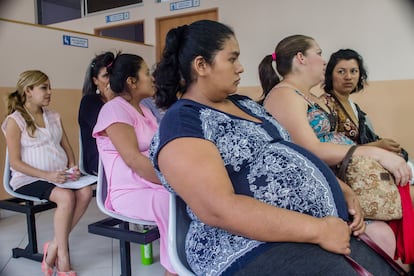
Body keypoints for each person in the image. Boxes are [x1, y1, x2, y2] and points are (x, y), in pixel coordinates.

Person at [150, 20, 400, 275]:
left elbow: (292, 151)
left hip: (307, 230)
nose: (240, 68)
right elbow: (218, 208)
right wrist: (318, 230)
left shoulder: (244, 104)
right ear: (201, 65)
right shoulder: (184, 122)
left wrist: (341, 189)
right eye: (232, 59)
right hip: (245, 246)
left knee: (383, 268)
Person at [258, 35, 413, 268]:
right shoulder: (284, 95)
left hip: (336, 178)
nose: (323, 61)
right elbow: (308, 151)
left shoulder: (304, 95)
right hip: (318, 185)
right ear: (301, 58)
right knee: (387, 228)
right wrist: (374, 153)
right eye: (318, 53)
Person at [91, 53, 176, 276]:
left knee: (191, 198)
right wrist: (173, 181)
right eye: (146, 73)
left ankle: (190, 264)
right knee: (173, 202)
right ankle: (174, 270)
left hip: (150, 183)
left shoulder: (145, 110)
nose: (152, 78)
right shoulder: (114, 109)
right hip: (128, 192)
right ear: (132, 81)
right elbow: (133, 159)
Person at [2, 70, 92, 276]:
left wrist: (72, 166)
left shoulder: (53, 116)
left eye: (49, 87)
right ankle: (62, 257)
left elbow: (67, 147)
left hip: (59, 176)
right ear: (28, 91)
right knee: (66, 197)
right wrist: (47, 175)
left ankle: (52, 246)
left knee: (86, 192)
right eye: (44, 88)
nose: (50, 92)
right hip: (28, 178)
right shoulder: (15, 120)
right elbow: (15, 162)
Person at [79, 51, 163, 176]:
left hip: (147, 169)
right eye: (106, 76)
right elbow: (132, 158)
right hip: (120, 171)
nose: (152, 78)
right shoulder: (106, 107)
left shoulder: (143, 108)